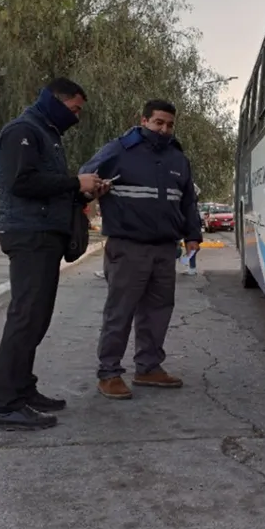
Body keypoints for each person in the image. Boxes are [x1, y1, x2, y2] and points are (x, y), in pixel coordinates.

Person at [0, 78, 102, 432]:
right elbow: (21, 183)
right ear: (54, 101)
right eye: (74, 110)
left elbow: (48, 189)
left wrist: (84, 192)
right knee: (25, 318)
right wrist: (74, 182)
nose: (77, 117)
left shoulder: (47, 133)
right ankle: (5, 407)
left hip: (44, 234)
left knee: (36, 318)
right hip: (29, 235)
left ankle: (23, 390)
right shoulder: (23, 130)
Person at [80, 99, 203, 400]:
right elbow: (85, 178)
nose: (164, 129)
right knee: (120, 313)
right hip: (128, 246)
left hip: (164, 248)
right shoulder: (119, 150)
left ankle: (149, 368)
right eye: (158, 122)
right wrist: (94, 188)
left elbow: (187, 200)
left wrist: (192, 235)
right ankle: (109, 373)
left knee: (157, 312)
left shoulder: (177, 158)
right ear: (144, 120)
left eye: (169, 124)